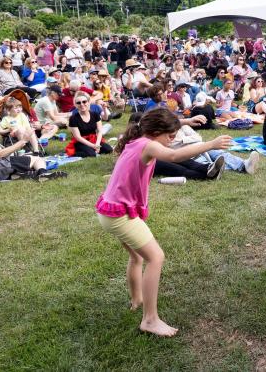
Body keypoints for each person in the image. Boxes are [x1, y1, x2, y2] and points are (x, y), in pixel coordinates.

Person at [97, 108, 232, 337]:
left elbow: (166, 137)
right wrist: (211, 144)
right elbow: (173, 157)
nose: (173, 140)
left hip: (110, 211)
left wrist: (185, 121)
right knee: (156, 257)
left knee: (137, 256)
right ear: (156, 132)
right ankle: (149, 320)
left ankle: (137, 300)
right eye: (170, 136)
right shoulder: (148, 145)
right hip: (119, 215)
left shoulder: (138, 139)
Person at [0, 103, 61, 181]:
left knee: (18, 160)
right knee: (36, 160)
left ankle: (15, 175)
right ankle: (44, 174)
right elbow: (0, 154)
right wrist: (23, 141)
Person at [67, 92, 113, 157]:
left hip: (93, 139)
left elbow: (99, 131)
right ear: (76, 105)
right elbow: (78, 137)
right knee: (91, 154)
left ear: (88, 102)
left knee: (109, 150)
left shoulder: (94, 114)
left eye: (84, 102)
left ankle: (91, 149)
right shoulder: (73, 118)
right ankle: (77, 152)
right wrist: (93, 146)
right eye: (78, 103)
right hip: (81, 142)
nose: (82, 104)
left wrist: (97, 144)